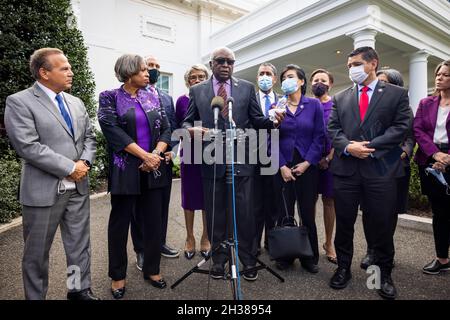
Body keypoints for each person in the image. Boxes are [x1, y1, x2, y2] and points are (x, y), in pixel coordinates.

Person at [182, 47, 284, 282]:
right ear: (211, 64)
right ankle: (219, 261)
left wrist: (274, 122)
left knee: (245, 213)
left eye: (230, 61)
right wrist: (191, 130)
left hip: (242, 159)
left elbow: (258, 120)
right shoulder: (197, 90)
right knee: (216, 213)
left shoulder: (246, 88)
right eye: (220, 61)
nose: (226, 65)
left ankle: (248, 260)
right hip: (211, 160)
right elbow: (186, 122)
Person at [4, 48, 98, 300]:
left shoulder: (76, 102)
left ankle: (78, 290)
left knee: (79, 246)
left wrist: (84, 164)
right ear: (44, 73)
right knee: (36, 254)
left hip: (78, 188)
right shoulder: (19, 101)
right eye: (64, 68)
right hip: (42, 192)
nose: (71, 72)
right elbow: (28, 146)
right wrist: (70, 167)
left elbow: (89, 138)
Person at [327, 46, 412, 300]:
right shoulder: (340, 97)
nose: (351, 69)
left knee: (381, 225)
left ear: (373, 63)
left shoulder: (397, 94)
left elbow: (402, 127)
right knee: (344, 223)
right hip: (346, 172)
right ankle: (343, 268)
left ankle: (381, 274)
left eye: (355, 64)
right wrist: (348, 146)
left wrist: (371, 147)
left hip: (380, 170)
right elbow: (333, 130)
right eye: (349, 65)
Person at [98, 54, 171, 299]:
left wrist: (156, 154)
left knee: (153, 222)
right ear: (128, 73)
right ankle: (118, 276)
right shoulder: (109, 97)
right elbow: (112, 131)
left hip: (153, 168)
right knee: (119, 225)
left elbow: (167, 128)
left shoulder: (152, 94)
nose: (147, 74)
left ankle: (152, 269)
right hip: (125, 170)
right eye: (142, 70)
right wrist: (144, 156)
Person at [360, 68, 415, 269]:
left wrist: (404, 152)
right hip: (370, 164)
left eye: (384, 82)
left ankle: (383, 253)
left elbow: (409, 136)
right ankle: (370, 250)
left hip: (394, 166)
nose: (379, 86)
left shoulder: (403, 108)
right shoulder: (367, 107)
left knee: (387, 213)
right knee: (368, 211)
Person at [130, 55, 179, 273]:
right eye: (150, 66)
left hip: (163, 160)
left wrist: (171, 150)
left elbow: (173, 127)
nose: (154, 70)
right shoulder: (131, 94)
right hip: (139, 160)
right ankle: (141, 249)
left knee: (161, 205)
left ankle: (158, 242)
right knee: (139, 208)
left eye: (158, 66)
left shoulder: (166, 98)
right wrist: (145, 155)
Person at [274, 64, 325, 273]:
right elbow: (270, 139)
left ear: (302, 81)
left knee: (307, 213)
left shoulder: (313, 105)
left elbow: (320, 137)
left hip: (306, 166)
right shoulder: (278, 106)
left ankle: (309, 255)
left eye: (291, 76)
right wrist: (281, 166)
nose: (287, 79)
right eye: (284, 77)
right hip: (284, 167)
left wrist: (306, 163)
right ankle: (285, 255)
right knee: (284, 212)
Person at [414, 60, 450, 275]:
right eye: (438, 74)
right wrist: (435, 154)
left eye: (445, 74)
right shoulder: (426, 102)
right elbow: (418, 130)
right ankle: (442, 258)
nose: (439, 77)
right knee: (440, 212)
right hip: (430, 160)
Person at [175, 64, 210, 259]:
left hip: (210, 154)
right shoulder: (182, 101)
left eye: (201, 77)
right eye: (193, 77)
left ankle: (206, 237)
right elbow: (177, 127)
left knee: (206, 198)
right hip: (189, 154)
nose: (197, 80)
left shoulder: (213, 100)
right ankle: (190, 238)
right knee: (189, 198)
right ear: (188, 81)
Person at [310, 68, 337, 264]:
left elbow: (341, 133)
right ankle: (309, 242)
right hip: (308, 161)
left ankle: (329, 243)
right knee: (308, 202)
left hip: (330, 161)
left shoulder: (336, 105)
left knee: (329, 202)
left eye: (323, 80)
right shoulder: (307, 104)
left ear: (330, 84)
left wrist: (328, 158)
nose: (319, 82)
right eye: (315, 80)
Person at [254, 62, 279, 255]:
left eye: (268, 73)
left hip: (276, 159)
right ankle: (254, 244)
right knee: (255, 204)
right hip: (253, 159)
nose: (264, 77)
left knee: (273, 204)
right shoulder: (250, 99)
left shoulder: (283, 101)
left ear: (275, 78)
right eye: (261, 73)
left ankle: (272, 242)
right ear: (257, 78)